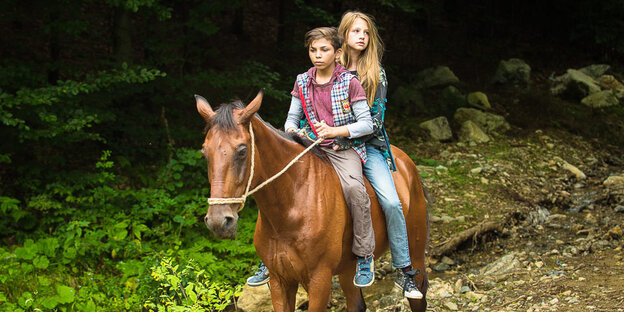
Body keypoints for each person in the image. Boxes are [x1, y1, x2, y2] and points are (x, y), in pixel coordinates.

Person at [247, 26, 377, 289]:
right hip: (309, 147)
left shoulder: (349, 82)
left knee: (354, 189)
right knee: (276, 188)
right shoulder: (302, 80)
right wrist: (292, 130)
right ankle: (268, 258)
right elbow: (292, 118)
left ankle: (364, 255)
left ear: (338, 53)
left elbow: (367, 124)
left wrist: (335, 130)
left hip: (341, 149)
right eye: (313, 50)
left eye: (324, 50)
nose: (318, 55)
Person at [337, 11, 423, 299]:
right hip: (330, 147)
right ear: (344, 34)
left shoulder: (377, 72)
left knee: (392, 201)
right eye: (356, 31)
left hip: (368, 146)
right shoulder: (330, 68)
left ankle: (404, 271)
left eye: (366, 32)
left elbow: (376, 121)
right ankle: (270, 261)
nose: (361, 36)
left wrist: (344, 136)